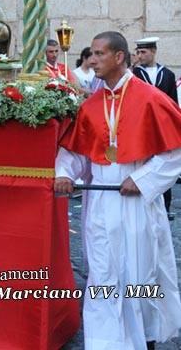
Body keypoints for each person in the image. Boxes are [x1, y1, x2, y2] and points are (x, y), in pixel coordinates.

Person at [55, 31, 181, 350]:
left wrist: (142, 179)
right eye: (92, 54)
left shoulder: (151, 98)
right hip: (100, 205)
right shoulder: (92, 104)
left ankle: (144, 341)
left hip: (137, 206)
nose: (92, 60)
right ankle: (106, 342)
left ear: (119, 57)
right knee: (102, 274)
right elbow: (76, 153)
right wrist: (64, 174)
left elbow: (175, 152)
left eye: (99, 54)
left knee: (139, 275)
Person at [133, 36, 179, 218]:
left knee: (163, 164)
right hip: (141, 126)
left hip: (161, 126)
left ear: (153, 51)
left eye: (143, 52)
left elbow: (173, 103)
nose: (140, 55)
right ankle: (144, 204)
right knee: (144, 164)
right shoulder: (135, 73)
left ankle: (165, 208)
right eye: (138, 52)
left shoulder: (167, 75)